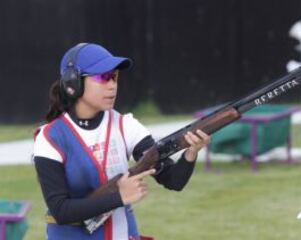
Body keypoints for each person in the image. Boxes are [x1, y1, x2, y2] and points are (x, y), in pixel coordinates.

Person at [33, 43, 210, 240]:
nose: (112, 85)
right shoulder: (49, 138)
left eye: (114, 76)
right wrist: (119, 197)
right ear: (73, 83)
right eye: (103, 77)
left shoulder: (125, 125)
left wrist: (191, 152)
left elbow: (173, 180)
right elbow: (60, 210)